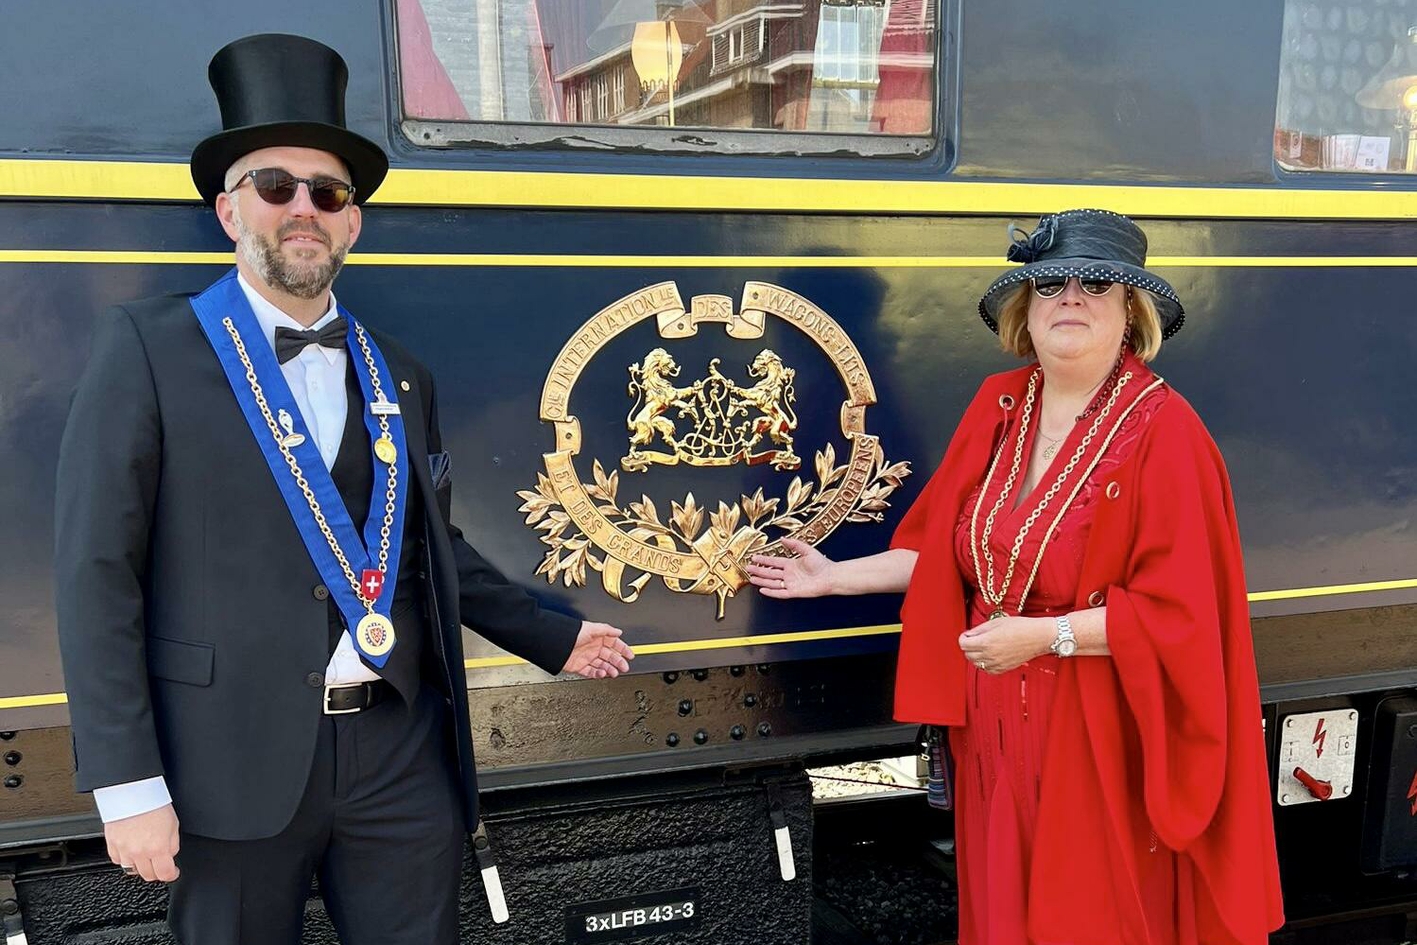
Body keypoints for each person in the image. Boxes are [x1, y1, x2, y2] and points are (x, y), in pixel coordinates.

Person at [54, 33, 633, 945]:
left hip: (396, 755)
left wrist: (552, 635)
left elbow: (428, 548)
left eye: (327, 193)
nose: (303, 209)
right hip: (225, 759)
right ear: (227, 210)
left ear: (352, 222)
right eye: (274, 186)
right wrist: (127, 784)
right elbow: (95, 574)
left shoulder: (399, 373)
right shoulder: (146, 349)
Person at [748, 209, 1283, 944]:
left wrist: (1044, 636)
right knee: (1004, 911)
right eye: (1047, 284)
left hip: (1095, 729)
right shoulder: (1000, 404)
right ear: (1022, 313)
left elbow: (1183, 618)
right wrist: (831, 577)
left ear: (1130, 312)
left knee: (1086, 914)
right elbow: (947, 553)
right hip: (995, 721)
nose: (1070, 297)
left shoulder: (1166, 432)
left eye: (1096, 284)